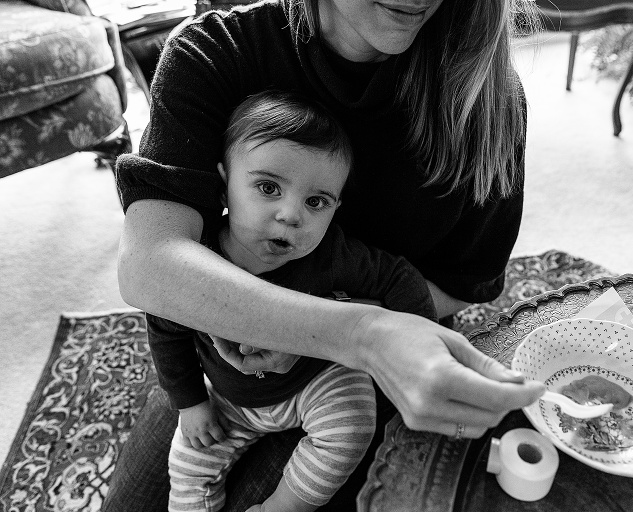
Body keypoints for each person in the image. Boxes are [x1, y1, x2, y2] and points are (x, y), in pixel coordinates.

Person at [104, 0, 546, 510]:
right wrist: (348, 332)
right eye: (267, 188)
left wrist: (345, 339)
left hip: (360, 373)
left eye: (316, 203)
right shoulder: (216, 52)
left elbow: (465, 280)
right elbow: (149, 266)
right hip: (221, 371)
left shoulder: (489, 101)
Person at [144, 89, 437, 512]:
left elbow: (400, 278)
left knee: (354, 424)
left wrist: (417, 347)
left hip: (316, 382)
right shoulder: (199, 260)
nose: (291, 215)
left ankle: (283, 507)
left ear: (336, 207)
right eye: (268, 187)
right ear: (224, 187)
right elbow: (164, 330)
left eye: (315, 202)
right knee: (187, 466)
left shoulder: (333, 254)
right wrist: (190, 403)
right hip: (226, 399)